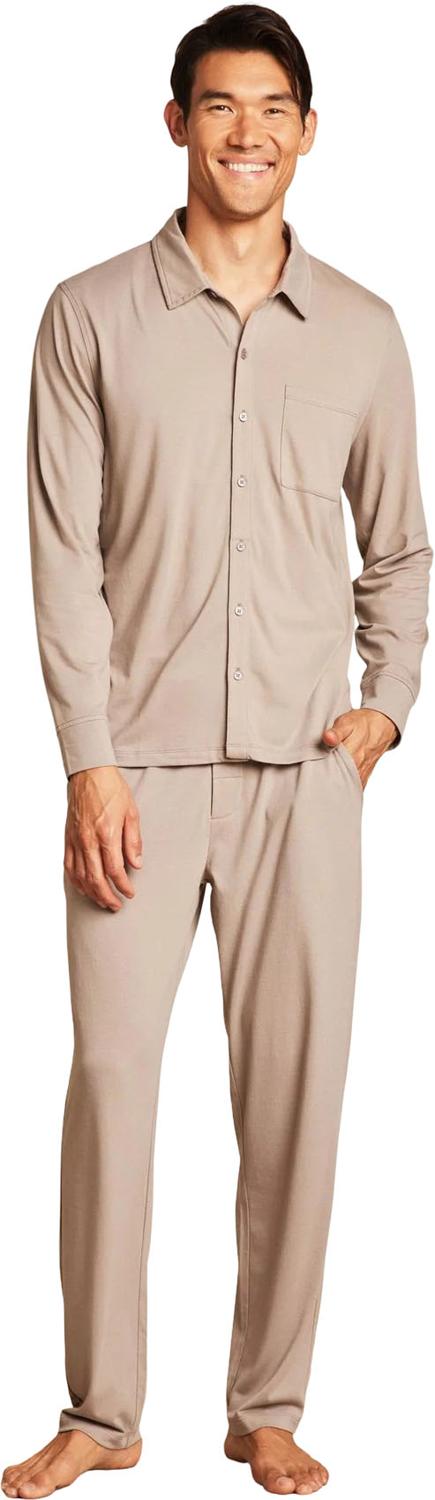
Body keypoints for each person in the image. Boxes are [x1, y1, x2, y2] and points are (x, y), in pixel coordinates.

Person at [3, 5, 432, 1497]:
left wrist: (388, 704)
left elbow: (400, 546)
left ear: (308, 132)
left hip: (306, 776)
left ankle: (267, 1406)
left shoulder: (367, 331)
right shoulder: (88, 316)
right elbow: (62, 556)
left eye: (273, 108)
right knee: (112, 1083)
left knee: (297, 1100)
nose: (247, 131)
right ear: (175, 120)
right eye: (220, 104)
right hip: (136, 770)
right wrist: (89, 759)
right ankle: (101, 1413)